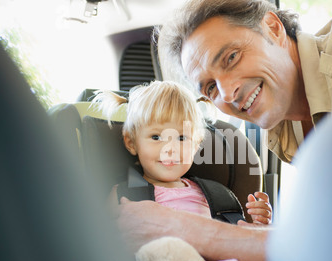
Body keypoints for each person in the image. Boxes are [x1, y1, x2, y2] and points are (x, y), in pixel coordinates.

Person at [117, 0, 332, 261]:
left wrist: (184, 228)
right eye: (209, 88)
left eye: (231, 58)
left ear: (273, 27)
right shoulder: (284, 123)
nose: (229, 93)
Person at [91, 80, 272, 236]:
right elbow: (103, 246)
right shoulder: (124, 196)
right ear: (131, 143)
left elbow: (236, 244)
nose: (170, 149)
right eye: (156, 137)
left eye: (181, 138)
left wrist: (257, 226)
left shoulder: (216, 196)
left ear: (196, 145)